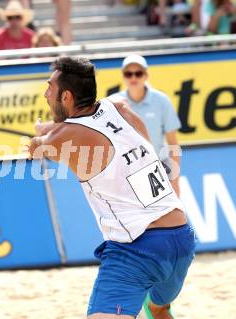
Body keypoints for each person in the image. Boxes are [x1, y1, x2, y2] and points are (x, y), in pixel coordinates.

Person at [29, 56, 195, 318]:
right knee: (158, 309)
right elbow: (78, 126)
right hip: (181, 237)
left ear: (66, 97)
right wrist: (49, 129)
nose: (45, 93)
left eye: (50, 87)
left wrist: (39, 135)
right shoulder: (121, 108)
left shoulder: (63, 137)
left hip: (138, 248)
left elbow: (39, 148)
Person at [110, 55, 182, 196]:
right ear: (123, 77)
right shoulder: (115, 103)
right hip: (128, 171)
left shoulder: (162, 101)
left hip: (158, 168)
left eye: (138, 73)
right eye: (128, 74)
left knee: (167, 216)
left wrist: (175, 180)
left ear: (146, 75)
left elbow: (173, 143)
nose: (133, 78)